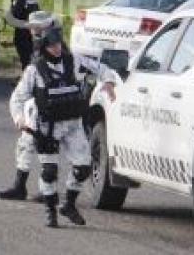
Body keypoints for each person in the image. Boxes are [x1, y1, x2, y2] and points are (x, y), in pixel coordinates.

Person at [9, 20, 118, 228]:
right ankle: (50, 211)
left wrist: (110, 82)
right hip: (47, 127)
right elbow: (17, 98)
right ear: (43, 47)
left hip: (73, 125)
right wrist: (19, 118)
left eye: (59, 44)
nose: (57, 48)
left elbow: (102, 69)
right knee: (49, 171)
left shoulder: (74, 61)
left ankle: (68, 204)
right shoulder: (34, 70)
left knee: (83, 168)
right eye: (52, 45)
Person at [0, 10, 55, 202]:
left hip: (52, 106)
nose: (31, 31)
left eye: (35, 28)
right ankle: (21, 186)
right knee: (28, 143)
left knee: (46, 148)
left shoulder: (52, 46)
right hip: (40, 104)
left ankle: (47, 190)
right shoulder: (41, 44)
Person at [10, 0, 40, 69]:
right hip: (34, 29)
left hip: (22, 30)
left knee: (24, 55)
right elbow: (37, 11)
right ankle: (31, 74)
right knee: (31, 54)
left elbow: (15, 14)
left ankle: (26, 76)